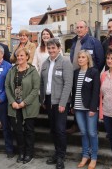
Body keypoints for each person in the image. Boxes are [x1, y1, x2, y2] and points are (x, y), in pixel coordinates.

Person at [40, 38, 73, 169]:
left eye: (54, 48)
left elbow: (68, 84)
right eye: (49, 48)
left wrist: (63, 103)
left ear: (59, 48)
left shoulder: (65, 62)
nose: (51, 50)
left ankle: (61, 156)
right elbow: (42, 83)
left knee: (60, 129)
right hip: (48, 100)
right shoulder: (45, 63)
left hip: (60, 101)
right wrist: (42, 99)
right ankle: (56, 152)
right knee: (53, 129)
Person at [67, 20, 104, 134]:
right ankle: (76, 124)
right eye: (77, 27)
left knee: (90, 99)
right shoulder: (74, 42)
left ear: (86, 29)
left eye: (81, 27)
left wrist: (93, 74)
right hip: (76, 74)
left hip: (90, 76)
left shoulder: (94, 42)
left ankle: (94, 126)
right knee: (77, 98)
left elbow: (101, 60)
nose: (79, 29)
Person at [5, 48, 40, 164]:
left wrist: (24, 102)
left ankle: (29, 153)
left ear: (27, 57)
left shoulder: (33, 71)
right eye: (17, 56)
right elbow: (7, 87)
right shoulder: (12, 70)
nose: (19, 58)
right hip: (14, 106)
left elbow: (35, 89)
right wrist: (12, 102)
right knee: (18, 130)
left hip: (28, 106)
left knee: (29, 130)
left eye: (22, 55)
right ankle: (21, 151)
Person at [71, 50, 100, 169]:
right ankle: (85, 155)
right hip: (78, 108)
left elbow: (95, 91)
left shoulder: (94, 72)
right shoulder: (76, 72)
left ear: (88, 59)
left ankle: (93, 157)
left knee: (92, 133)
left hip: (90, 108)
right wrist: (73, 105)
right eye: (79, 57)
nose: (80, 59)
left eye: (83, 57)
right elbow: (74, 90)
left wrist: (93, 108)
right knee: (83, 132)